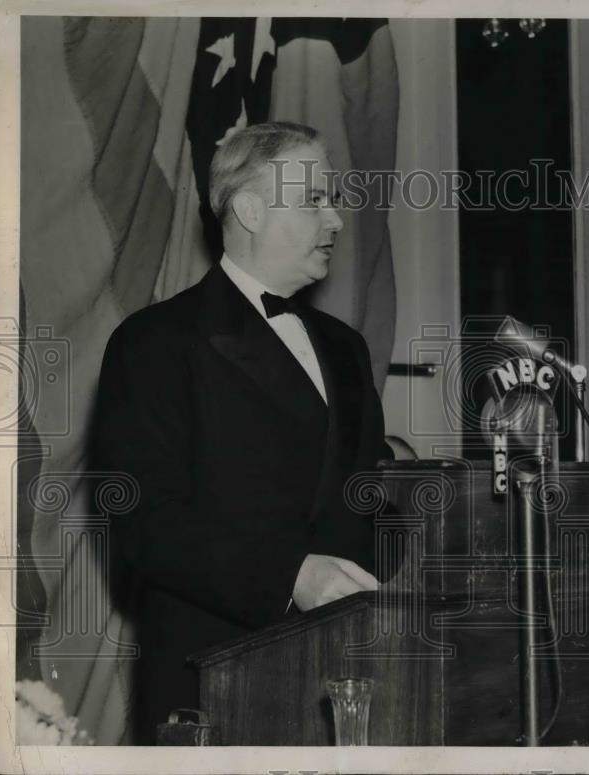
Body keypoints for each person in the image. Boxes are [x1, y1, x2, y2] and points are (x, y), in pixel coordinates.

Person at [93, 122, 392, 742]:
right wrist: (291, 575)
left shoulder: (346, 348)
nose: (335, 220)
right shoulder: (154, 343)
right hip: (213, 686)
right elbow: (144, 525)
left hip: (344, 679)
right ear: (251, 210)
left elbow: (365, 499)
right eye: (314, 199)